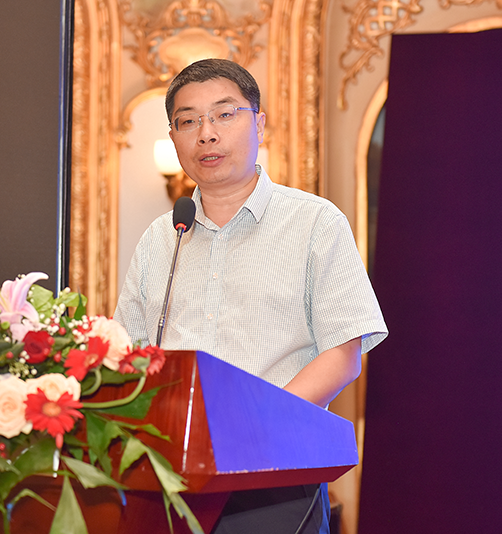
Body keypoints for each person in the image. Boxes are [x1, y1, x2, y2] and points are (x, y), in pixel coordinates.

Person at [113, 59, 388, 533]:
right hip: (169, 479)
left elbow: (343, 355)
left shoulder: (315, 222)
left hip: (277, 474)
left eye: (224, 114)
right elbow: (127, 353)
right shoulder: (162, 237)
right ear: (174, 137)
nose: (206, 134)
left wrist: (255, 427)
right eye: (188, 121)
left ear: (259, 123)